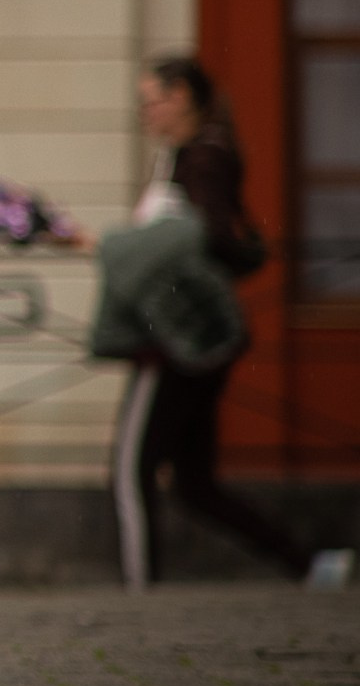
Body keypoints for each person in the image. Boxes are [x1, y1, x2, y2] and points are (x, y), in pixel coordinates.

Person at [82, 57, 351, 591]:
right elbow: (219, 242)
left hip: (176, 341)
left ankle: (139, 593)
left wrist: (114, 247)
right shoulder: (196, 155)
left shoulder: (203, 159)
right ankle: (311, 566)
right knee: (195, 483)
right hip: (195, 339)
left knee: (133, 470)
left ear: (181, 95)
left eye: (151, 99)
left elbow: (204, 239)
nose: (146, 112)